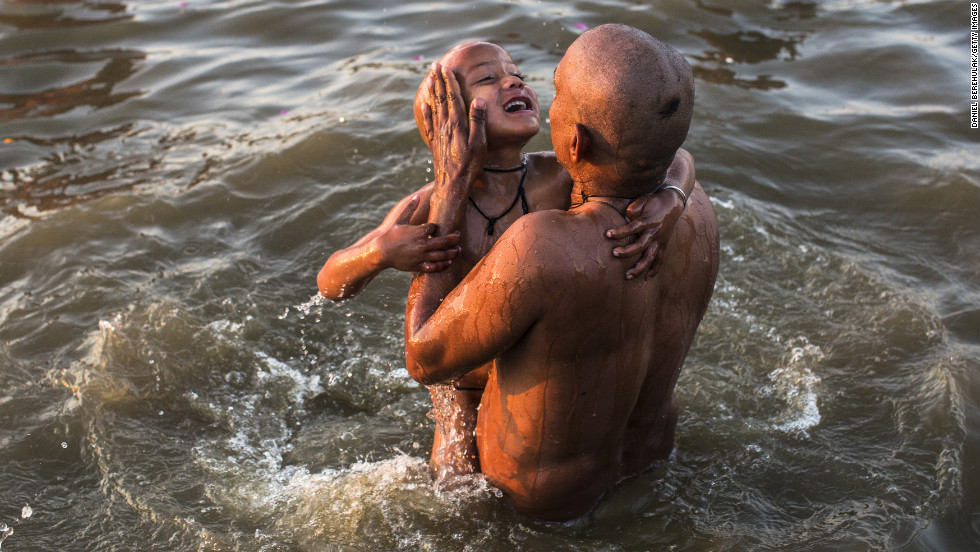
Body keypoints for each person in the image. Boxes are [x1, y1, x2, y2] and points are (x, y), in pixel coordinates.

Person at [317, 41, 697, 481]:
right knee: (455, 488)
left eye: (515, 73)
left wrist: (673, 199)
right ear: (445, 122)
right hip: (459, 389)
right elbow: (330, 281)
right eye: (487, 78)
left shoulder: (558, 174)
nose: (513, 80)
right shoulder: (425, 206)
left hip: (531, 376)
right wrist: (379, 253)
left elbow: (673, 155)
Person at [404, 24, 720, 521]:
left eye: (558, 97)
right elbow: (675, 157)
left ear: (574, 143)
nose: (540, 101)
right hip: (652, 460)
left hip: (538, 505)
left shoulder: (541, 246)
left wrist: (448, 192)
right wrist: (675, 190)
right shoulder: (691, 208)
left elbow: (425, 360)